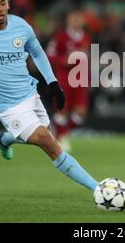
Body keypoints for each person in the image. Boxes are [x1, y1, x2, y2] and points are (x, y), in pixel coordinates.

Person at [0, 0, 98, 193]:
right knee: (48, 142)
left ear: (8, 4)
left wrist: (53, 83)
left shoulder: (21, 26)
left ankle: (3, 138)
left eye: (3, 3)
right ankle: (99, 189)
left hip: (30, 94)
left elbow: (37, 52)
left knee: (40, 133)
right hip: (6, 106)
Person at [46, 8, 91, 151]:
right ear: (68, 20)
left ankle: (61, 133)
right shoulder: (61, 37)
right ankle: (62, 137)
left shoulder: (86, 37)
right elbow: (48, 54)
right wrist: (63, 60)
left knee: (81, 113)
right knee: (62, 111)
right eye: (74, 18)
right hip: (63, 79)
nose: (77, 21)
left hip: (80, 81)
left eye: (79, 18)